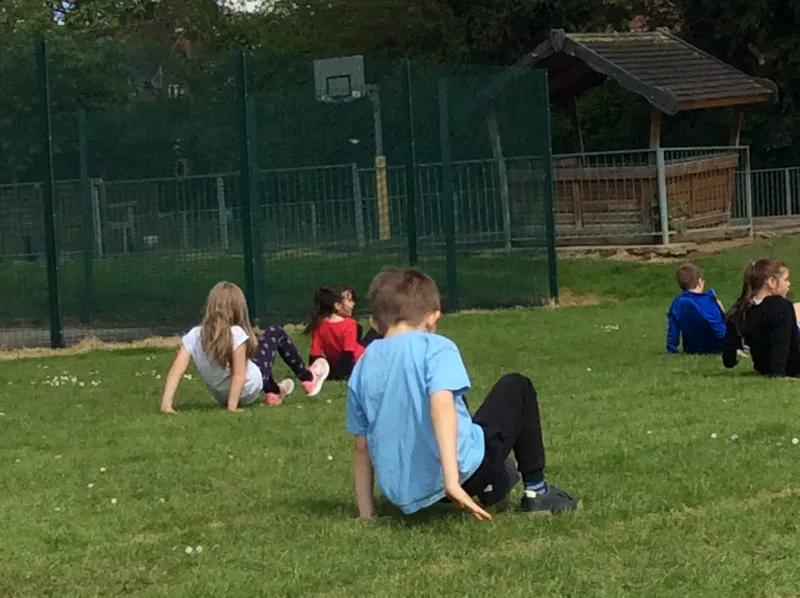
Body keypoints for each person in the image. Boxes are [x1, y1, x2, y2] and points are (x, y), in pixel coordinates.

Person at [345, 267, 580, 520]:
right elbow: (441, 409)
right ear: (433, 317)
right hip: (461, 474)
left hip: (407, 490)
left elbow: (362, 445)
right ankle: (538, 492)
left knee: (455, 402)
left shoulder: (364, 364)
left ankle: (497, 481)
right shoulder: (435, 347)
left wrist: (367, 514)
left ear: (374, 322)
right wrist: (452, 481)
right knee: (516, 387)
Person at [159, 281, 330, 413]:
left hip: (221, 397)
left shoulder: (194, 335)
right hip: (248, 389)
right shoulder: (236, 333)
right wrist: (232, 409)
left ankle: (274, 392)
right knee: (274, 333)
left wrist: (166, 405)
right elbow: (239, 375)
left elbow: (175, 372)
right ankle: (308, 379)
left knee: (257, 352)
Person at [722, 258, 800, 376]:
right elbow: (781, 342)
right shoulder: (781, 306)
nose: (789, 284)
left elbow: (728, 361)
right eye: (786, 279)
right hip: (793, 367)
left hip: (762, 367)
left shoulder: (740, 311)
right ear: (772, 282)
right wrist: (778, 372)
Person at [306, 285, 365, 380]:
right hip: (358, 362)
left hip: (346, 363)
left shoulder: (319, 325)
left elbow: (314, 354)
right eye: (350, 300)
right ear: (337, 306)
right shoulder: (350, 324)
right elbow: (348, 355)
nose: (353, 304)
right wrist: (336, 375)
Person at [666, 263, 726, 354]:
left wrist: (671, 348)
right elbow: (717, 326)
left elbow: (673, 329)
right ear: (699, 282)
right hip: (715, 346)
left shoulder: (677, 303)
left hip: (691, 348)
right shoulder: (707, 301)